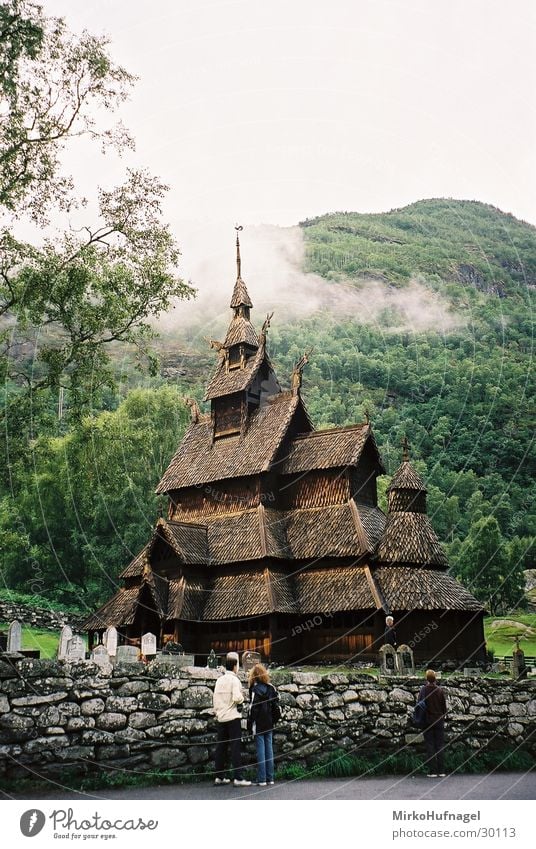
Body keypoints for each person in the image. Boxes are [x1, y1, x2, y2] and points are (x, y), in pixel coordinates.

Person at [212, 651, 251, 787]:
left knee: (221, 747)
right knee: (235, 747)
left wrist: (218, 712)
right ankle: (238, 777)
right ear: (235, 666)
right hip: (233, 717)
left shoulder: (219, 680)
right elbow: (236, 697)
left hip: (221, 717)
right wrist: (242, 699)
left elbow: (215, 699)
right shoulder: (235, 680)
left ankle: (219, 776)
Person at [248, 663, 280, 786]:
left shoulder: (255, 690)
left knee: (261, 750)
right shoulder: (271, 688)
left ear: (254, 676)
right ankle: (270, 778)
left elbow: (252, 709)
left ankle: (262, 779)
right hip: (269, 722)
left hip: (259, 723)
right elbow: (276, 706)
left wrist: (250, 724)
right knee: (269, 749)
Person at [418, 669, 447, 778]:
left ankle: (432, 771)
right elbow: (444, 708)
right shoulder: (439, 691)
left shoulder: (424, 690)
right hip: (439, 720)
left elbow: (420, 705)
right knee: (439, 745)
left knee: (430, 745)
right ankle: (442, 770)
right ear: (435, 678)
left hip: (428, 720)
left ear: (426, 679)